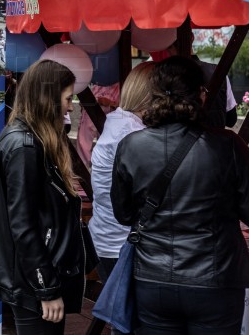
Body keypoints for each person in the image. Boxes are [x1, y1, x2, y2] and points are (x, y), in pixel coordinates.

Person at [112, 56, 249, 334]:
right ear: (201, 95)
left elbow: (124, 214)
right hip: (216, 278)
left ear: (153, 97)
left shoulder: (130, 146)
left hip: (153, 279)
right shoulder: (228, 145)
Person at [0, 59, 85, 334]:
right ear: (48, 98)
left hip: (31, 279)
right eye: (67, 98)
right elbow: (23, 226)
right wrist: (46, 288)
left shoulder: (27, 140)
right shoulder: (25, 146)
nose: (70, 106)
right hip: (32, 283)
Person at [88, 62, 154, 335]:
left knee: (122, 320)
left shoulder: (119, 121)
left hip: (106, 236)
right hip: (122, 241)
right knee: (130, 323)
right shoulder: (133, 132)